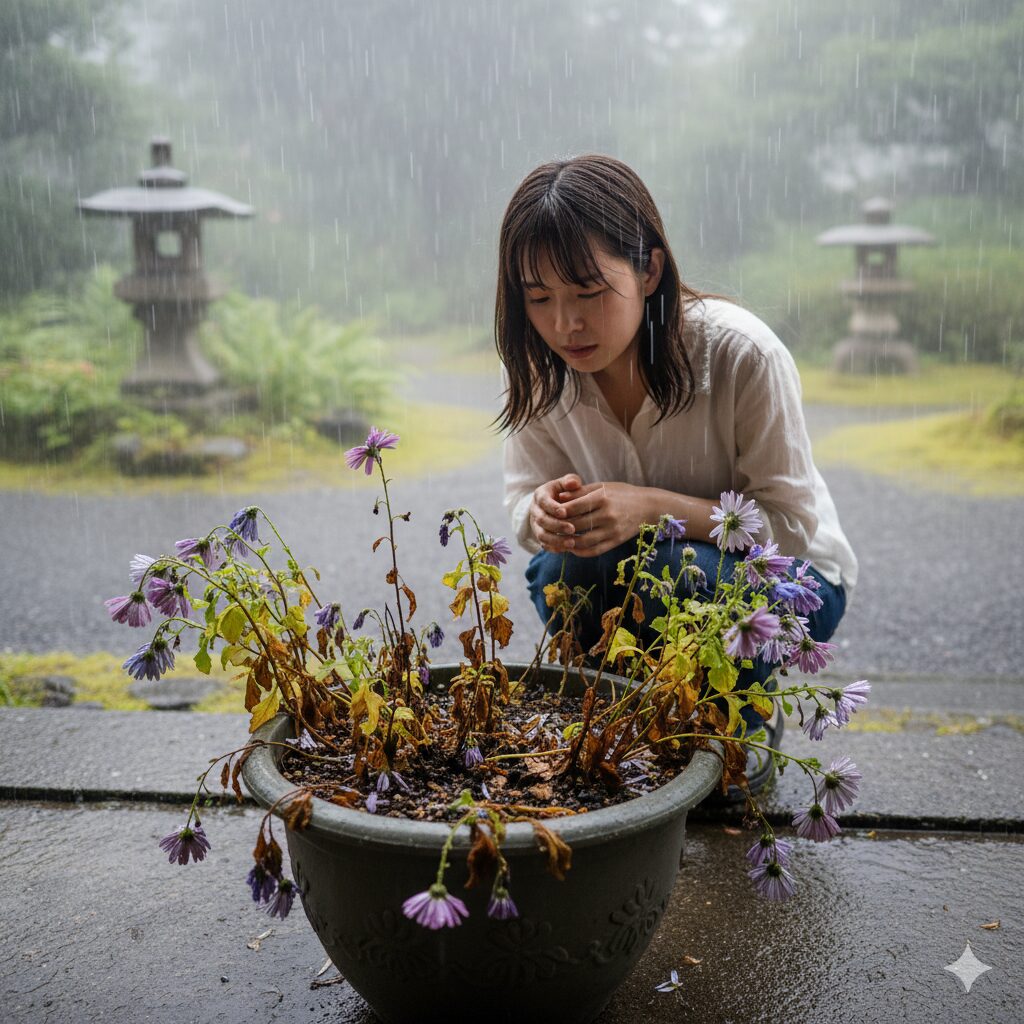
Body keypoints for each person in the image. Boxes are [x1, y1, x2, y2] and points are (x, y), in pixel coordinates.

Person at [495, 154, 858, 797]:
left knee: (670, 567)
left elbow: (791, 530)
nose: (564, 324)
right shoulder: (538, 369)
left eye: (587, 293)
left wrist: (650, 508)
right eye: (539, 298)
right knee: (561, 572)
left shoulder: (741, 354)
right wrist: (541, 512)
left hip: (791, 584)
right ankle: (641, 715)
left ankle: (737, 722)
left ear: (650, 269)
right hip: (648, 575)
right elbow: (523, 501)